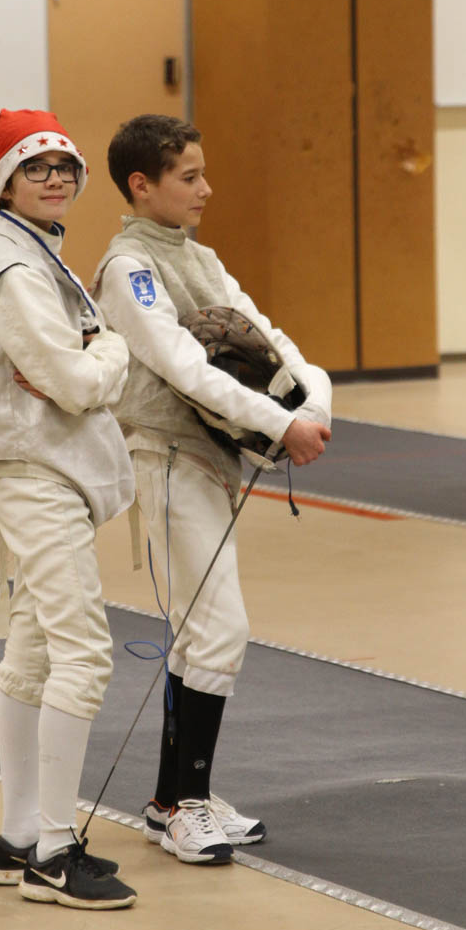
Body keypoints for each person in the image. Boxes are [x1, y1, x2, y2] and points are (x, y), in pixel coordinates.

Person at [93, 114, 332, 865]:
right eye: (188, 177)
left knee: (200, 632)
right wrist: (279, 422)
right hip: (165, 458)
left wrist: (315, 401)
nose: (206, 189)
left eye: (203, 173)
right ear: (142, 185)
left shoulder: (199, 257)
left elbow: (271, 335)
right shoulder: (128, 267)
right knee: (219, 628)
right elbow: (181, 366)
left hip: (210, 460)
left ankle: (175, 799)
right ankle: (182, 804)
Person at [0, 107, 137, 909]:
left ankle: (17, 838)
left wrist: (90, 357)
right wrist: (113, 345)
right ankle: (55, 854)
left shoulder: (37, 252)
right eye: (36, 167)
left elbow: (71, 374)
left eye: (64, 165)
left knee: (32, 652)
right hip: (36, 477)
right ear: (5, 182)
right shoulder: (15, 270)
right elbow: (74, 382)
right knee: (83, 654)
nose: (55, 177)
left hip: (47, 472)